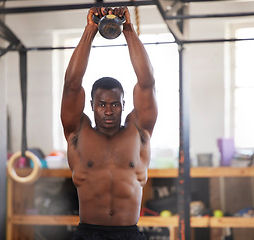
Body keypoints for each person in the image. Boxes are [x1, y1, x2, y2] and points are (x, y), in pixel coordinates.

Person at [61, 6, 157, 240]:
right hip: (88, 234)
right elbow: (72, 84)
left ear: (124, 105)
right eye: (102, 104)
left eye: (115, 103)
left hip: (129, 234)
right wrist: (90, 30)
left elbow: (146, 82)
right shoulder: (78, 132)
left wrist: (128, 29)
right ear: (91, 105)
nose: (108, 110)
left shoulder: (139, 131)